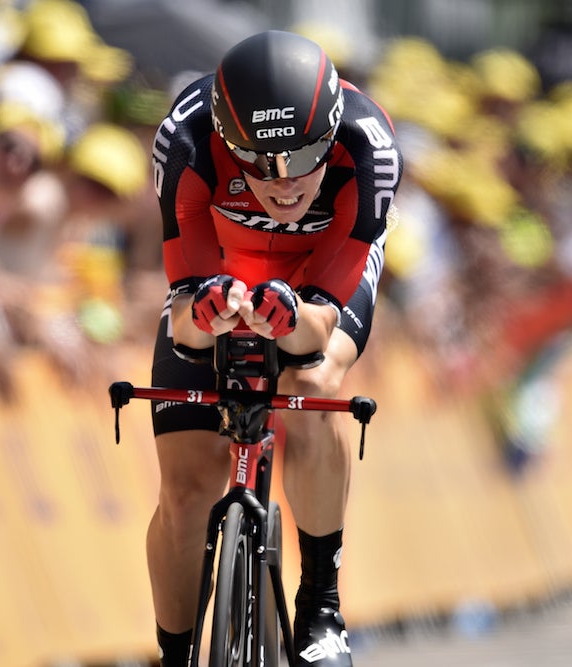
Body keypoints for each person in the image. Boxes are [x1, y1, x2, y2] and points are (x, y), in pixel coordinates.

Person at [146, 30, 402, 665]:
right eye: (257, 160)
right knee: (187, 490)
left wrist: (290, 321)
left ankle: (321, 605)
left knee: (313, 383)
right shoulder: (184, 139)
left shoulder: (370, 146)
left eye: (305, 154)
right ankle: (174, 653)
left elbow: (320, 327)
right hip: (223, 272)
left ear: (335, 127)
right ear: (226, 139)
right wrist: (208, 312)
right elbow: (183, 319)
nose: (284, 181)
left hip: (318, 278)